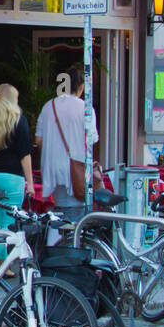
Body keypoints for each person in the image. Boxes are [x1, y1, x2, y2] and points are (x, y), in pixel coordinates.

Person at [34, 69, 99, 223]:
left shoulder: (48, 106)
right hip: (75, 172)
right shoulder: (86, 108)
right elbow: (92, 140)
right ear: (81, 87)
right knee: (75, 220)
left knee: (57, 215)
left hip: (52, 171)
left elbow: (38, 140)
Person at [0, 84, 35, 249]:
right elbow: (25, 155)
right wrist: (30, 183)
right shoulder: (19, 120)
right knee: (8, 225)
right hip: (12, 177)